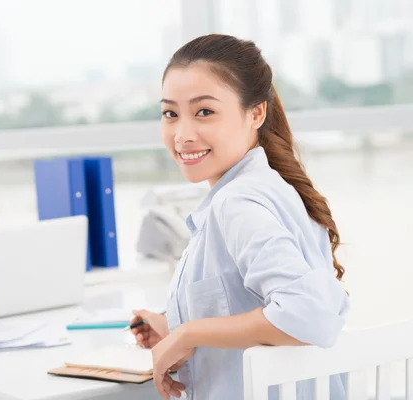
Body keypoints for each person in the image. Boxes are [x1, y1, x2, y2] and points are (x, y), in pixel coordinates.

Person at [130, 34, 349, 400]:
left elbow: (310, 315)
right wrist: (175, 325)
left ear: (256, 113)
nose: (182, 135)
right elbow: (249, 306)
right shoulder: (267, 187)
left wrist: (190, 334)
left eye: (204, 112)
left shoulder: (238, 202)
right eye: (171, 113)